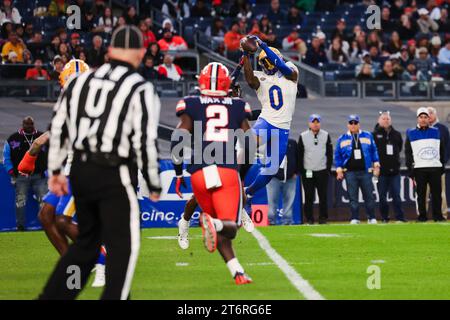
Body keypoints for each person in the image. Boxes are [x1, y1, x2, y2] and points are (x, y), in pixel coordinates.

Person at [39, 25, 162, 300]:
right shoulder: (139, 87)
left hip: (81, 171)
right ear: (141, 53)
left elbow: (58, 126)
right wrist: (153, 182)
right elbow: (145, 140)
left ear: (109, 51)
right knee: (121, 252)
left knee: (85, 245)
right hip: (115, 173)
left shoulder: (81, 82)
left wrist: (56, 171)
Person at [171, 62, 253, 285]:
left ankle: (236, 271)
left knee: (220, 230)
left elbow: (178, 137)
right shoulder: (237, 105)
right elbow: (251, 143)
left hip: (199, 172)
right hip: (225, 169)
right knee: (231, 227)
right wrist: (241, 174)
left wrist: (178, 174)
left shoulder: (192, 103)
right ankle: (213, 223)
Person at [241, 35, 298, 218]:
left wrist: (264, 46)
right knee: (247, 148)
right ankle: (232, 180)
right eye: (263, 62)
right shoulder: (261, 78)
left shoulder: (291, 71)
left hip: (282, 129)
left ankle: (247, 193)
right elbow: (250, 80)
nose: (266, 65)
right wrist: (246, 55)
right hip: (266, 122)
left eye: (267, 60)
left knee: (271, 169)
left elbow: (282, 67)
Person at [2, 117, 48, 231]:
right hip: (21, 176)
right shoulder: (13, 139)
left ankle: (46, 225)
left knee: (44, 201)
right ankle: (20, 226)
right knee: (20, 201)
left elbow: (51, 153)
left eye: (31, 124)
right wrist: (12, 172)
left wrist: (49, 169)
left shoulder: (42, 137)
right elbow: (6, 157)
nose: (28, 126)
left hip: (39, 176)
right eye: (26, 124)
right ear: (22, 124)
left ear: (34, 124)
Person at [335, 115, 380, 224]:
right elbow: (337, 156)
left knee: (369, 195)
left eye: (355, 123)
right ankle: (355, 218)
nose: (353, 125)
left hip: (365, 171)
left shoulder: (367, 135)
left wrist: (377, 164)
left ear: (359, 124)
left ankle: (371, 217)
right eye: (351, 123)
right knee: (352, 197)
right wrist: (339, 168)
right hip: (350, 172)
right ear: (348, 125)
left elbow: (374, 151)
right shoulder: (342, 138)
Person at [405, 108, 445, 222]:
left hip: (435, 167)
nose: (423, 119)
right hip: (419, 169)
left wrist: (441, 165)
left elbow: (442, 149)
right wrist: (410, 168)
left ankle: (438, 216)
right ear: (417, 118)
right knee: (421, 195)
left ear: (429, 119)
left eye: (425, 117)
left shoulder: (436, 131)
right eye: (421, 117)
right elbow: (408, 152)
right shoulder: (411, 133)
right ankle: (422, 217)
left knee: (437, 195)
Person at [298, 114, 333, 225]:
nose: (315, 124)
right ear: (309, 123)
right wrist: (302, 170)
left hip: (322, 170)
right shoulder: (303, 136)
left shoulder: (326, 135)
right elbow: (300, 154)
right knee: (308, 196)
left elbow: (329, 153)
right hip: (308, 171)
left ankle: (323, 218)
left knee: (323, 196)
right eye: (313, 122)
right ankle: (309, 219)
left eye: (317, 122)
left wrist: (328, 169)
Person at [373, 111, 405, 223]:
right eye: (383, 119)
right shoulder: (374, 135)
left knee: (396, 195)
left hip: (395, 172)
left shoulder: (396, 134)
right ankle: (384, 218)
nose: (386, 121)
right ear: (379, 120)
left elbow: (399, 148)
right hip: (381, 172)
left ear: (391, 121)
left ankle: (400, 218)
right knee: (382, 197)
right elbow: (372, 152)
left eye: (387, 119)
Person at [266, 139, 299, 225]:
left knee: (289, 200)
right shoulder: (270, 142)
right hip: (273, 177)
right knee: (272, 200)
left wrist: (296, 172)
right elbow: (265, 158)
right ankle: (271, 220)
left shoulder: (292, 142)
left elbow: (298, 157)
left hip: (290, 177)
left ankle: (287, 220)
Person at [427, 107, 450, 219]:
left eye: (431, 113)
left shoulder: (442, 129)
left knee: (441, 192)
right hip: (424, 166)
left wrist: (443, 160)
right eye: (427, 113)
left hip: (438, 166)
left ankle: (443, 214)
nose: (429, 115)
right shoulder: (422, 128)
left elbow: (447, 146)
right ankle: (422, 215)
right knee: (424, 193)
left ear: (435, 114)